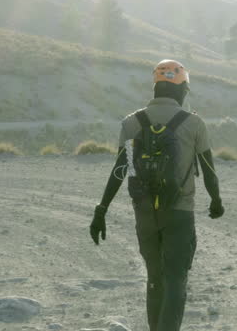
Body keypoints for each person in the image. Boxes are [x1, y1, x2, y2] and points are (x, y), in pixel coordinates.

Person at [89, 59, 224, 331]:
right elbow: (208, 170)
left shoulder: (131, 123)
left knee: (154, 278)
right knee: (176, 279)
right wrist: (216, 201)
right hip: (179, 212)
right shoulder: (194, 123)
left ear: (155, 87)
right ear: (182, 89)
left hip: (145, 212)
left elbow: (119, 170)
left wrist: (101, 209)